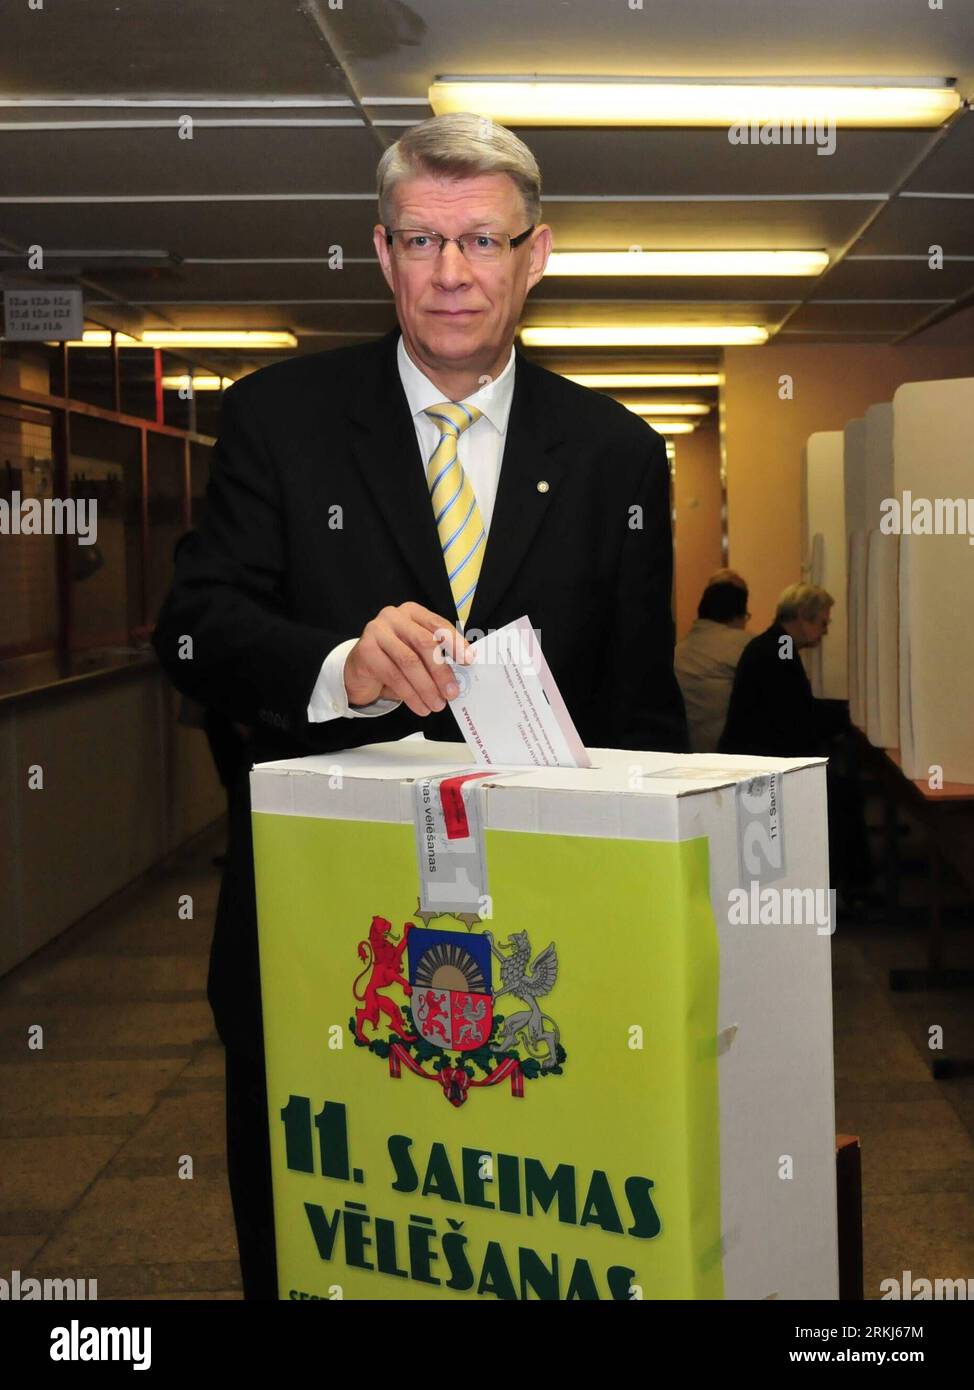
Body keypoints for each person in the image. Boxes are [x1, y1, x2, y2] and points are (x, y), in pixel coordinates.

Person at [151, 112, 688, 1300]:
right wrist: (339, 664)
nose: (452, 273)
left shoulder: (614, 456)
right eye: (421, 241)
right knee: (322, 1253)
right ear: (381, 254)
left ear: (533, 256)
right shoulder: (278, 420)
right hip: (320, 947)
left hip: (557, 953)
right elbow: (191, 629)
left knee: (534, 1249)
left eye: (482, 241)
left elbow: (643, 712)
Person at [719, 582, 871, 904]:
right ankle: (848, 890)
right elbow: (797, 720)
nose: (825, 631)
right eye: (823, 622)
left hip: (756, 758)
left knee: (843, 790)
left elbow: (795, 713)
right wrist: (849, 715)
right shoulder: (778, 650)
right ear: (803, 617)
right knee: (844, 796)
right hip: (764, 766)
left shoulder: (772, 645)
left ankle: (848, 887)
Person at [675, 574, 751, 752]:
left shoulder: (679, 649)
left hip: (681, 751)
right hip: (726, 754)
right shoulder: (744, 645)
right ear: (738, 614)